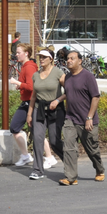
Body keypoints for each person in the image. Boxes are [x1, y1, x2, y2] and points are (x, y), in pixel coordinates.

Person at [59, 50, 105, 186]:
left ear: (80, 61)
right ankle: (70, 177)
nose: (68, 61)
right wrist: (58, 100)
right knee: (68, 148)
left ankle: (100, 170)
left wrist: (89, 117)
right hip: (70, 118)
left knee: (92, 149)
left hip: (86, 119)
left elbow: (95, 97)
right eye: (67, 59)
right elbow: (69, 94)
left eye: (72, 58)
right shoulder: (67, 77)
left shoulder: (88, 76)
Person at [27, 47, 65, 180]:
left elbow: (69, 91)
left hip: (56, 109)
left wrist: (58, 100)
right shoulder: (36, 75)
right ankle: (38, 170)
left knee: (55, 141)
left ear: (51, 59)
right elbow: (33, 96)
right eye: (40, 57)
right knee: (37, 139)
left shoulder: (58, 73)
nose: (41, 59)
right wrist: (29, 114)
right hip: (39, 108)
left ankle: (70, 162)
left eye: (44, 57)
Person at [7, 42, 38, 167]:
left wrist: (18, 83)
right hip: (26, 102)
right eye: (16, 52)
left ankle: (49, 156)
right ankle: (25, 155)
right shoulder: (25, 66)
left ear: (26, 54)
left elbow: (32, 87)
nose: (16, 54)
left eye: (19, 52)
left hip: (30, 102)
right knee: (15, 128)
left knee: (37, 131)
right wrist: (19, 86)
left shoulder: (29, 67)